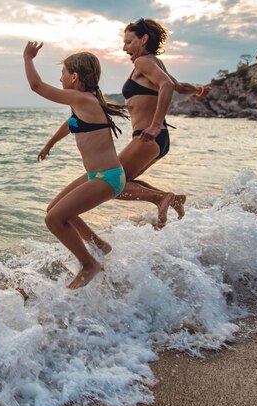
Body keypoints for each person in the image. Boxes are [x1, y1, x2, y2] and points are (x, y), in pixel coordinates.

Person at [24, 41, 129, 289]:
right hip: (99, 175)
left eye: (62, 74)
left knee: (55, 219)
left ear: (74, 76)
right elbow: (72, 124)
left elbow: (36, 86)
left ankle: (89, 264)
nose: (60, 80)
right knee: (54, 209)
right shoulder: (83, 102)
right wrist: (50, 144)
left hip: (107, 178)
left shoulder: (83, 100)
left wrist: (28, 58)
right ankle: (100, 245)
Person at [117, 17, 210, 228]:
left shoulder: (143, 62)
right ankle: (171, 199)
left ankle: (161, 198)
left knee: (110, 183)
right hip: (158, 139)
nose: (124, 48)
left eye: (129, 42)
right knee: (123, 181)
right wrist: (199, 90)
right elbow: (179, 86)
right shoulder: (154, 63)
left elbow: (167, 85)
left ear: (144, 40)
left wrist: (156, 123)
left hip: (149, 135)